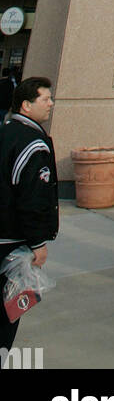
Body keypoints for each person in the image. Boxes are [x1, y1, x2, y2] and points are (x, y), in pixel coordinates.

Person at [0, 76, 58, 356]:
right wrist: (37, 243)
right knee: (6, 315)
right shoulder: (32, 143)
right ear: (26, 105)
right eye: (45, 99)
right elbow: (31, 198)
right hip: (12, 242)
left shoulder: (5, 130)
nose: (50, 104)